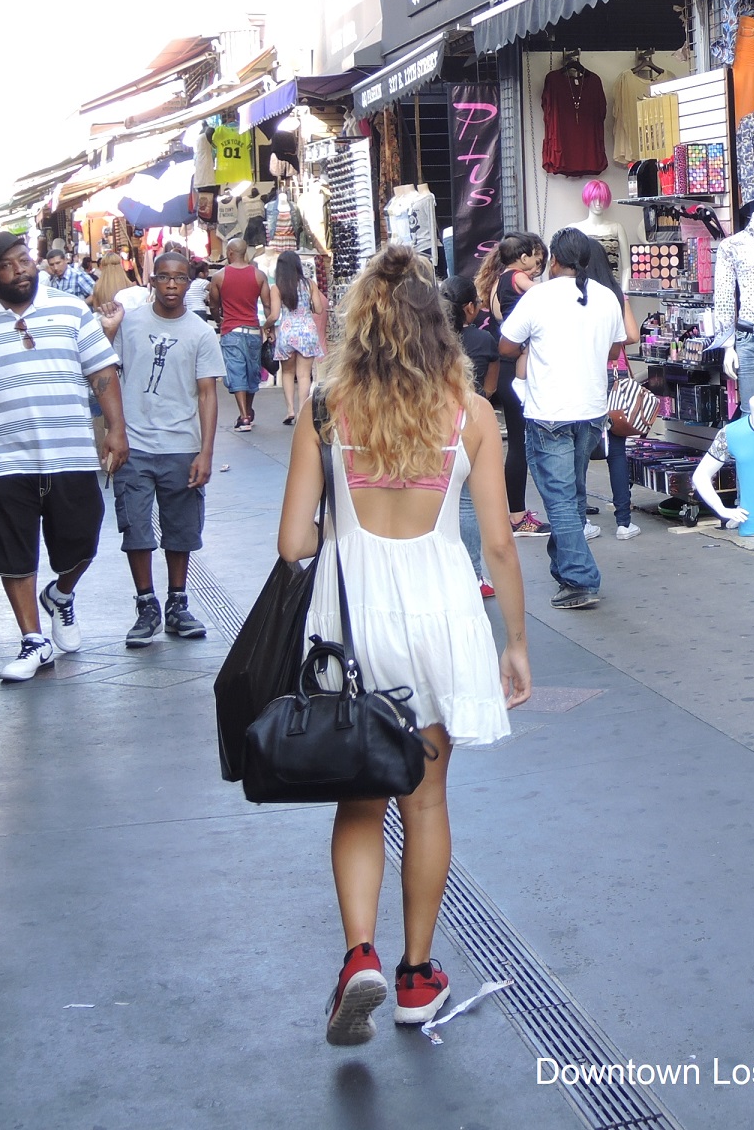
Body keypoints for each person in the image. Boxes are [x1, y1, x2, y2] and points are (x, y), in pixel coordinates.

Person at [275, 243, 529, 1044]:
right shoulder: (470, 413)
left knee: (360, 794)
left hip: (350, 618)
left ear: (363, 324)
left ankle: (360, 958)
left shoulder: (325, 407)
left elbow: (292, 545)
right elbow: (498, 544)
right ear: (438, 325)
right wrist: (514, 643)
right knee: (425, 799)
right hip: (437, 610)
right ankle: (419, 977)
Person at [0, 231, 127, 684]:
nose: (21, 269)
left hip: (71, 453)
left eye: (24, 260)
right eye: (8, 265)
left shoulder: (71, 310)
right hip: (2, 457)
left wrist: (117, 430)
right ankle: (33, 639)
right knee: (13, 552)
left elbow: (102, 372)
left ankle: (61, 594)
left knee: (83, 542)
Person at [97, 248, 222, 646]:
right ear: (152, 281)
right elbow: (105, 376)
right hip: (133, 444)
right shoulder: (130, 325)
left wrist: (206, 451)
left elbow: (207, 394)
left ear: (190, 282)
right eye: (164, 277)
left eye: (180, 278)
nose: (171, 284)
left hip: (181, 445)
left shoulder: (201, 332)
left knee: (181, 529)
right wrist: (112, 433)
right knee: (135, 527)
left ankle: (178, 603)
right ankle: (146, 603)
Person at [496, 228, 622, 609]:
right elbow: (615, 349)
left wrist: (534, 342)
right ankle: (565, 571)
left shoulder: (539, 296)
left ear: (554, 260)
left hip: (550, 411)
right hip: (590, 411)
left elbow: (505, 345)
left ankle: (581, 578)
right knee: (572, 494)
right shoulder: (606, 297)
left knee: (561, 499)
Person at [569, 238, 641, 539]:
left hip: (586, 374)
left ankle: (582, 520)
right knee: (618, 449)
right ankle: (624, 522)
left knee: (579, 449)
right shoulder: (613, 293)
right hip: (617, 375)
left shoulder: (575, 294)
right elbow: (633, 335)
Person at [476, 234, 546, 538]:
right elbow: (543, 299)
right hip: (514, 362)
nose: (537, 266)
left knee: (519, 441)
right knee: (519, 443)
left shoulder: (496, 281)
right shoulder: (517, 278)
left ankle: (517, 513)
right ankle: (517, 515)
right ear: (523, 257)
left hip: (504, 365)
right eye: (535, 258)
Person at [445, 274, 497, 597]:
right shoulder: (483, 341)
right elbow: (490, 388)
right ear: (468, 308)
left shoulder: (433, 341)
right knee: (466, 503)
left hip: (432, 421)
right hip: (469, 421)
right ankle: (474, 574)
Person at [215, 240, 267, 432]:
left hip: (231, 330)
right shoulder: (258, 275)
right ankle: (248, 410)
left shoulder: (219, 277)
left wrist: (219, 320)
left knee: (236, 370)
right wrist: (268, 327)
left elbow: (213, 303)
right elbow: (267, 305)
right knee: (252, 371)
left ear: (229, 252)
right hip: (253, 330)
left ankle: (244, 416)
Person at [271, 252, 323, 428]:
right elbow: (319, 309)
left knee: (287, 373)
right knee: (303, 375)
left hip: (287, 332)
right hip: (307, 331)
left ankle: (290, 410)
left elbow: (275, 315)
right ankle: (302, 410)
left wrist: (266, 325)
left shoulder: (277, 288)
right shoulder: (310, 285)